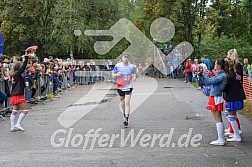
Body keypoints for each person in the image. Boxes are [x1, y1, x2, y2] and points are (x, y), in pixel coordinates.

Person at [199, 58, 228, 146]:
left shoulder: (221, 76)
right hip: (217, 97)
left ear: (219, 66)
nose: (214, 66)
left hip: (215, 97)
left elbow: (208, 82)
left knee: (217, 119)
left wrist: (201, 75)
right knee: (218, 118)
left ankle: (221, 139)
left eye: (215, 64)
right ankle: (221, 138)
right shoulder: (221, 74)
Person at [224, 49, 246, 142]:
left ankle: (236, 133)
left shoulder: (236, 66)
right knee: (229, 113)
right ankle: (233, 130)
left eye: (228, 54)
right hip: (233, 93)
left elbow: (233, 80)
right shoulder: (235, 66)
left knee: (231, 114)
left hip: (234, 94)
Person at [9, 52, 32, 132]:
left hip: (14, 94)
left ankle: (12, 126)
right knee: (25, 110)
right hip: (18, 94)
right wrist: (26, 58)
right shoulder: (17, 74)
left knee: (14, 110)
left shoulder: (14, 75)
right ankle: (18, 124)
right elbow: (23, 68)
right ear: (19, 67)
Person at [112, 53, 136, 126]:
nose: (126, 59)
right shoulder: (118, 66)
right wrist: (116, 75)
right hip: (120, 86)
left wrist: (134, 78)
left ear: (129, 59)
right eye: (125, 57)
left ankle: (126, 118)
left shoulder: (132, 67)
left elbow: (134, 75)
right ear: (122, 58)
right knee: (122, 103)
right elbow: (113, 75)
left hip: (129, 86)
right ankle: (124, 114)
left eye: (127, 58)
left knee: (127, 102)